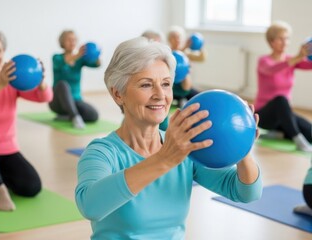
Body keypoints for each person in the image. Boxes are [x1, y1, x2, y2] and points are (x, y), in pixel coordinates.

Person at [75, 36, 262, 239]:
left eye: (165, 84)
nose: (159, 95)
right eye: (146, 85)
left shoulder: (185, 149)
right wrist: (165, 159)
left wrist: (243, 148)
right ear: (118, 94)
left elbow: (246, 193)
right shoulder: (102, 153)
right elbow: (90, 206)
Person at [0, 29, 53, 211]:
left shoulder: (12, 79)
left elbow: (44, 98)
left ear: (4, 52)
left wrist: (41, 83)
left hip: (6, 148)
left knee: (32, 187)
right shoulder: (5, 81)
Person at [254, 21, 312, 152]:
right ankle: (299, 141)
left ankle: (279, 134)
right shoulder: (264, 61)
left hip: (284, 115)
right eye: (281, 39)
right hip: (264, 115)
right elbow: (273, 69)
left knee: (310, 132)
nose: (285, 42)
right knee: (281, 100)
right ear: (271, 41)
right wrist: (297, 57)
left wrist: (300, 57)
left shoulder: (292, 60)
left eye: (287, 38)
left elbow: (309, 65)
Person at [49, 30, 100, 129]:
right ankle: (75, 117)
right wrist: (78, 55)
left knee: (94, 115)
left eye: (74, 40)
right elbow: (66, 61)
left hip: (75, 101)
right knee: (62, 84)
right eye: (68, 40)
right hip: (57, 103)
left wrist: (96, 54)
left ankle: (67, 116)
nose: (72, 42)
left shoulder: (80, 60)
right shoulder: (57, 58)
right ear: (62, 42)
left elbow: (97, 64)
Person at [167, 26, 205, 108]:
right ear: (169, 39)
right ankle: (179, 99)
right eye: (174, 37)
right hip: (173, 87)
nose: (177, 39)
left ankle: (182, 99)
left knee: (201, 98)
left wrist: (200, 46)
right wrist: (185, 48)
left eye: (179, 37)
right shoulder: (167, 52)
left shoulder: (186, 52)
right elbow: (175, 56)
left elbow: (201, 58)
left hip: (186, 86)